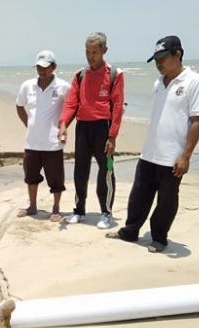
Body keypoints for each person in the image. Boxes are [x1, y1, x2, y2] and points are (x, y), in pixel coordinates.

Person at [106, 35, 199, 253]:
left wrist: (186, 156)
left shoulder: (195, 82)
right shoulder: (158, 84)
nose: (158, 64)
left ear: (177, 55)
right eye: (155, 59)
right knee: (138, 196)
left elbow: (196, 120)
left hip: (173, 156)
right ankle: (130, 231)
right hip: (149, 152)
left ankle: (159, 238)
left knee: (166, 202)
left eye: (162, 58)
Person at [58, 32, 125, 229]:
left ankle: (106, 212)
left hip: (103, 128)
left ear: (104, 50)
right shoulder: (80, 75)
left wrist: (112, 136)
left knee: (106, 171)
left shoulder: (115, 74)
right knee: (80, 170)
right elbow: (71, 103)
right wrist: (63, 124)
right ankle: (79, 210)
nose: (90, 56)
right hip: (83, 127)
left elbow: (118, 106)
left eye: (95, 52)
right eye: (87, 52)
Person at [15, 50, 71, 222]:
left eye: (46, 67)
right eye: (39, 67)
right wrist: (29, 124)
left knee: (56, 179)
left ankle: (56, 208)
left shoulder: (63, 87)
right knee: (30, 176)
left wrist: (63, 127)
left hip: (52, 143)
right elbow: (19, 106)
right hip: (32, 142)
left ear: (54, 67)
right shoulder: (27, 86)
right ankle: (32, 206)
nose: (42, 71)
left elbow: (71, 108)